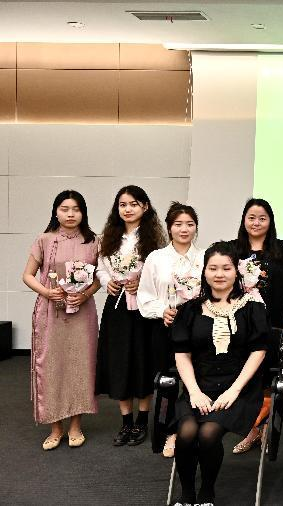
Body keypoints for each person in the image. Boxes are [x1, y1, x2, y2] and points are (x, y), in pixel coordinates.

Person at [171, 241, 269, 505]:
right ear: (204, 271)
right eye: (213, 268)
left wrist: (234, 390)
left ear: (237, 271)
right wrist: (194, 392)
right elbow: (182, 354)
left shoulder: (252, 307)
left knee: (208, 433)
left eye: (226, 268)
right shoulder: (190, 308)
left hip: (239, 389)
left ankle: (207, 493)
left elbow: (258, 352)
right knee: (187, 433)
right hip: (199, 387)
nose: (219, 274)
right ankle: (187, 495)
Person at [22, 190, 100, 450]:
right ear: (56, 212)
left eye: (76, 209)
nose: (70, 214)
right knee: (52, 366)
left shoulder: (94, 241)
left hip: (82, 313)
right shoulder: (44, 239)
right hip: (50, 311)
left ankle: (76, 425)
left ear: (83, 213)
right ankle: (55, 427)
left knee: (80, 365)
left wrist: (85, 294)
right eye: (65, 209)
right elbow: (28, 275)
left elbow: (100, 278)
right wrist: (46, 292)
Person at [95, 185, 167, 447]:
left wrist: (142, 282)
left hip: (144, 307)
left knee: (142, 360)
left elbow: (162, 272)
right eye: (123, 205)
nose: (128, 209)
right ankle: (126, 421)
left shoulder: (155, 238)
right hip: (116, 307)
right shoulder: (108, 237)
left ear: (145, 207)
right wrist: (108, 282)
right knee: (119, 360)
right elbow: (100, 268)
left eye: (134, 204)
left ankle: (142, 420)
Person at [230, 198, 283, 454]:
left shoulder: (281, 249)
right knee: (247, 377)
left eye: (262, 218)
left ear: (270, 222)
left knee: (272, 376)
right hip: (241, 326)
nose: (256, 223)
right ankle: (252, 429)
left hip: (275, 324)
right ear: (244, 220)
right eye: (251, 218)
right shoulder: (233, 249)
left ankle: (269, 426)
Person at [138, 202, 204, 458]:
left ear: (196, 227)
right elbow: (145, 295)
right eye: (178, 224)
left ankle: (192, 429)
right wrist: (162, 310)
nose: (184, 229)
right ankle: (169, 432)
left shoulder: (205, 257)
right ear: (169, 228)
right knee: (168, 382)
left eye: (189, 224)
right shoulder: (156, 258)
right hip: (165, 327)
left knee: (195, 381)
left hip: (199, 329)